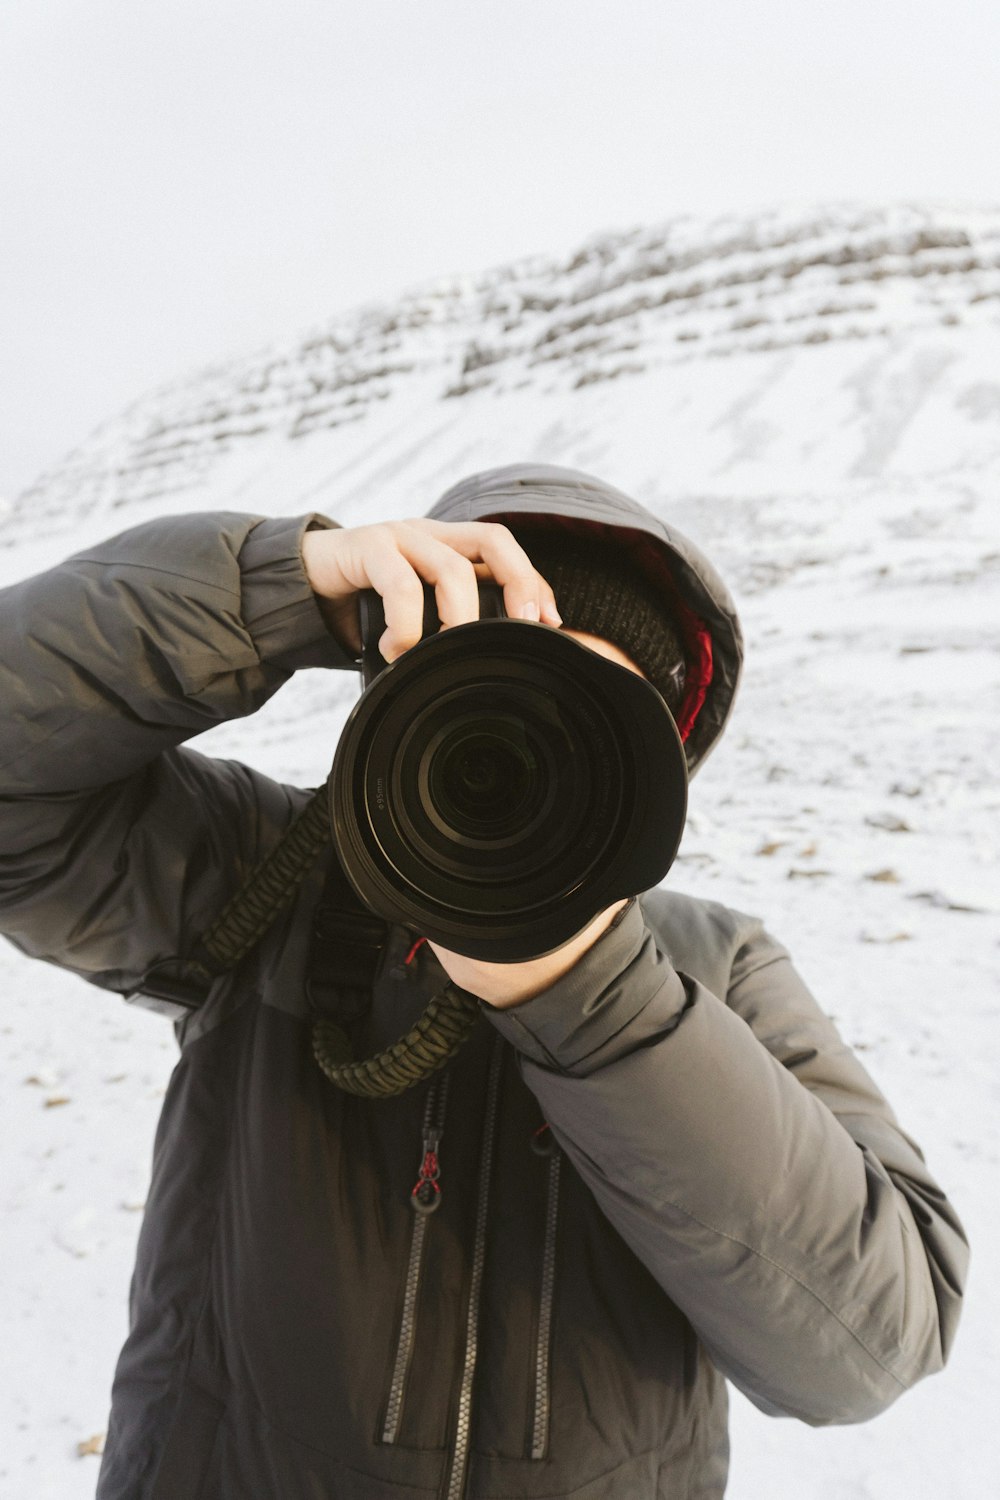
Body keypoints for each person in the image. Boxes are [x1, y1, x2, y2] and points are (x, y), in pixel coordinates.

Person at [0, 462, 967, 1500]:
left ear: (649, 771)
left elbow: (870, 1345)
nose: (527, 765)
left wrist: (594, 999)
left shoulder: (714, 967)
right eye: (500, 697)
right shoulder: (264, 880)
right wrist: (286, 591)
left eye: (585, 728)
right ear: (403, 709)